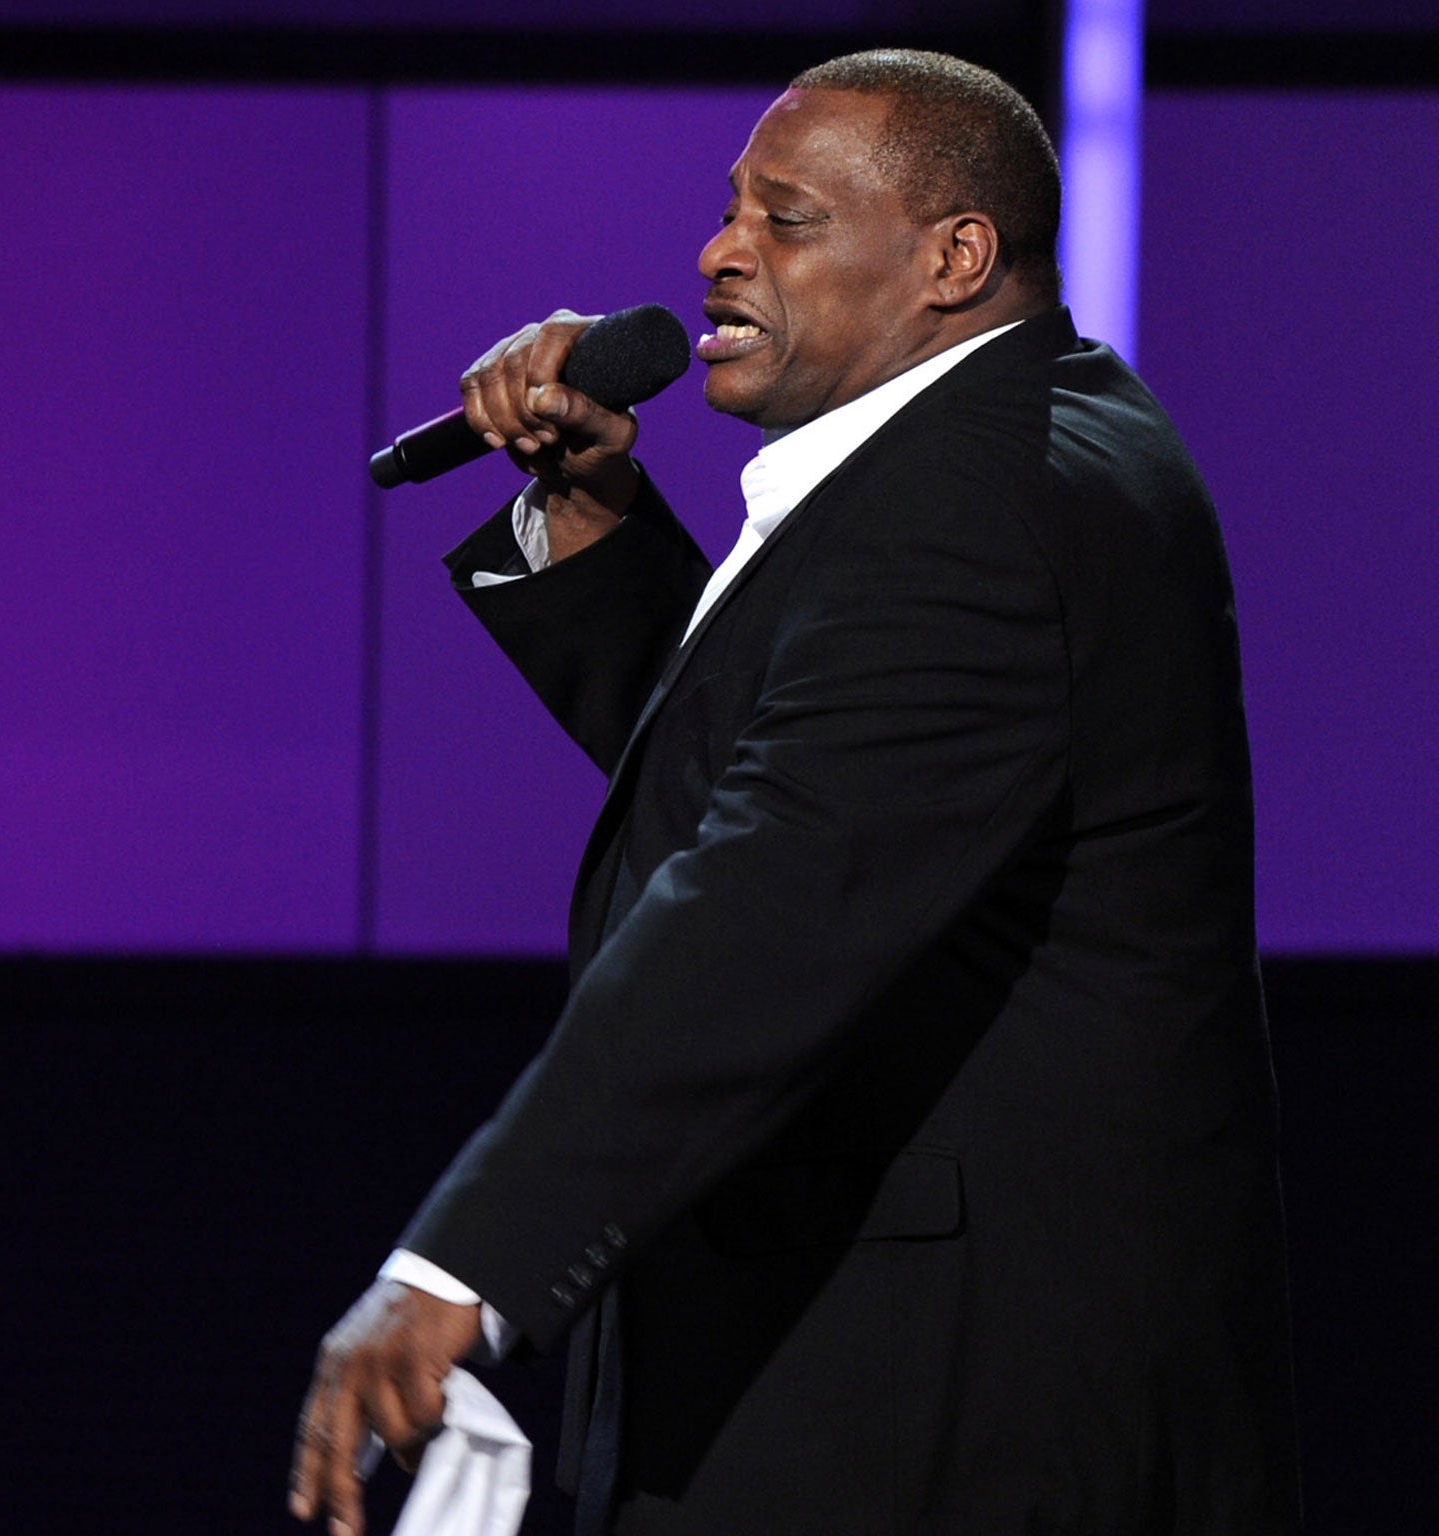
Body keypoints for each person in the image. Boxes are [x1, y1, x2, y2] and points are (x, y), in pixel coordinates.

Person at [290, 49, 1300, 1536]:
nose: (716, 251)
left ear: (953, 259)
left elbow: (779, 885)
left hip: (940, 1413)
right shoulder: (1002, 448)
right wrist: (589, 514)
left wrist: (468, 1266)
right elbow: (799, 764)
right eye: (728, 211)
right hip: (893, 1380)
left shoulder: (981, 503)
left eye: (787, 217)